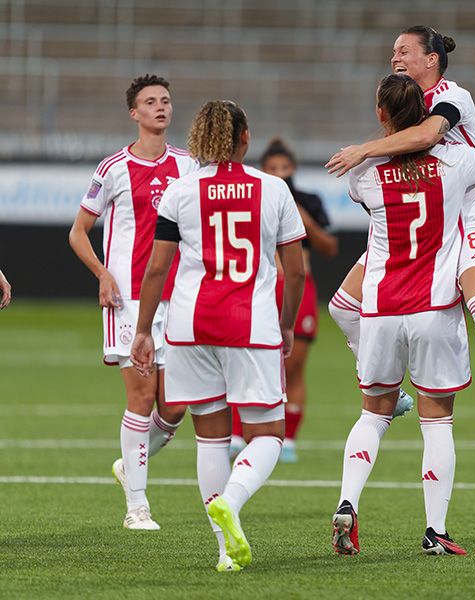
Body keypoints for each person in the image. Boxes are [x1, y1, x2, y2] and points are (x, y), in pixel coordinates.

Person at [331, 73, 475, 557]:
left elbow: (379, 175)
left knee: (372, 415)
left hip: (379, 310)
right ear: (429, 113)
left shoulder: (363, 175)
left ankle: (347, 504)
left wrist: (376, 148)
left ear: (382, 116)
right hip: (432, 310)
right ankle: (435, 530)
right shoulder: (459, 160)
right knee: (437, 423)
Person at [326, 26, 475, 444]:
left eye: (404, 50)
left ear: (431, 59)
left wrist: (361, 150)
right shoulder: (404, 101)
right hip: (417, 221)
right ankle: (387, 387)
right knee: (343, 307)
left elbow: (428, 134)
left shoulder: (453, 96)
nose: (395, 56)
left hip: (465, 218)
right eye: (392, 51)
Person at [130, 100, 306, 572]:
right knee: (268, 433)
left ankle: (226, 552)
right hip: (250, 326)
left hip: (189, 326)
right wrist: (287, 324)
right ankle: (234, 498)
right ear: (245, 138)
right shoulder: (273, 190)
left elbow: (156, 269)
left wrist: (144, 329)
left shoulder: (179, 191)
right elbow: (296, 272)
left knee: (210, 438)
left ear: (198, 140)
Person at [68, 74, 198, 530]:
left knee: (177, 405)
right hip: (128, 300)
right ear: (134, 113)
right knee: (142, 397)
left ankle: (129, 464)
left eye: (165, 100)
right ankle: (137, 506)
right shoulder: (113, 168)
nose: (160, 107)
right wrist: (103, 274)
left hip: (178, 298)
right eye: (150, 102)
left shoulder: (188, 165)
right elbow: (78, 233)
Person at [229, 137, 339, 463]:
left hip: (297, 286)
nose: (279, 173)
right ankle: (238, 432)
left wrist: (304, 219)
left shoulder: (308, 200)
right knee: (248, 361)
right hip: (262, 285)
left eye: (285, 168)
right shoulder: (255, 196)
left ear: (294, 169)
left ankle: (288, 438)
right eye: (272, 168)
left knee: (294, 365)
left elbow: (330, 248)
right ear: (263, 170)